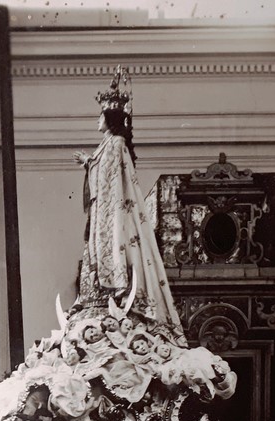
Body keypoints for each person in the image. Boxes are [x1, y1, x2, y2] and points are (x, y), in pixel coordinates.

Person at [72, 67, 182, 336]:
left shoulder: (115, 143)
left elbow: (108, 177)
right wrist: (89, 162)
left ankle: (117, 286)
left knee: (113, 247)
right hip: (104, 209)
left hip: (112, 210)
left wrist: (89, 163)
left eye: (100, 116)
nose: (97, 121)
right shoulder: (107, 144)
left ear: (109, 118)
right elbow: (102, 172)